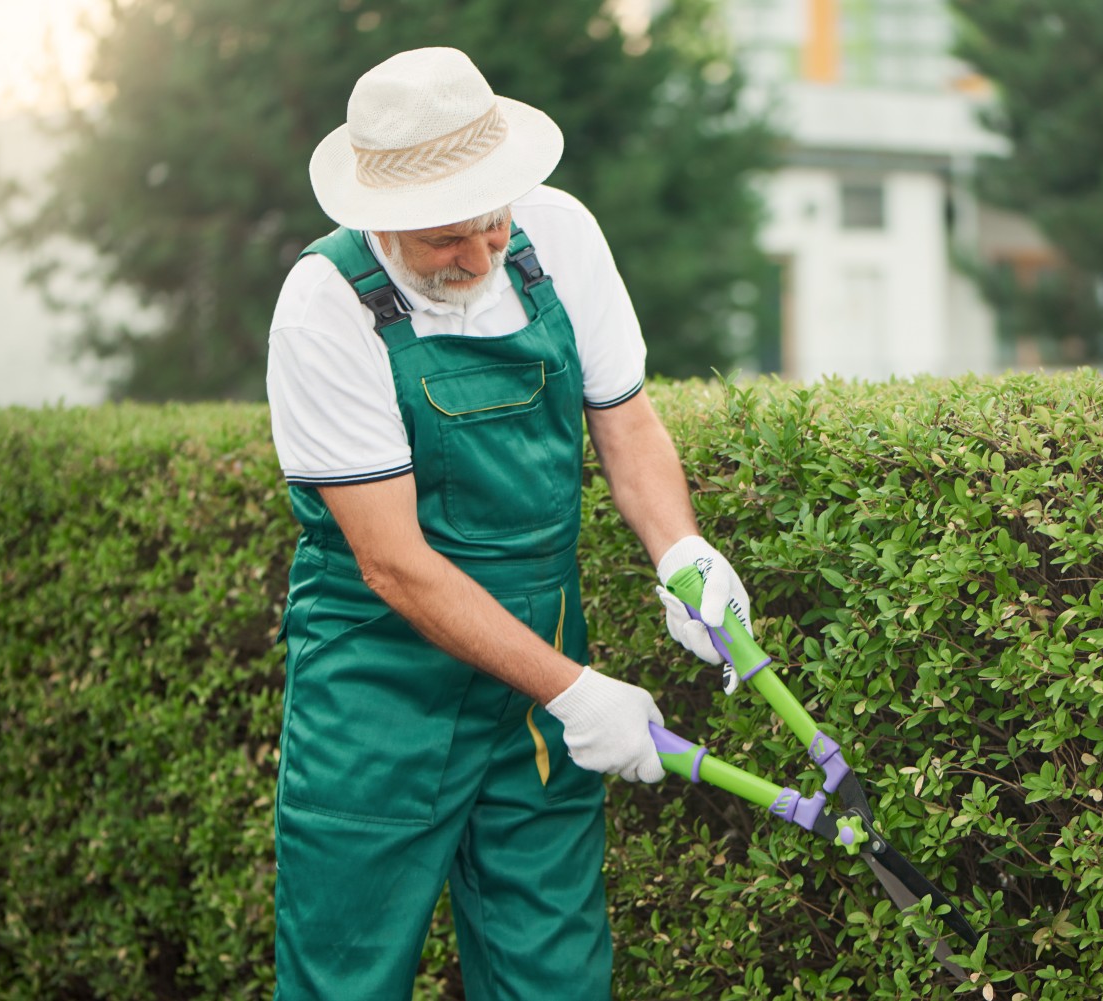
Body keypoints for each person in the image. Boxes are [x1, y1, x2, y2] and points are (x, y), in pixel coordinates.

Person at [265, 46, 751, 1000]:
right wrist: (576, 690)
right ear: (380, 220)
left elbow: (628, 424)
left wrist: (682, 551)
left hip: (537, 662)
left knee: (554, 972)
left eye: (492, 224)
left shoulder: (559, 234)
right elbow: (395, 563)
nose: (483, 255)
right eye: (448, 240)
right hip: (379, 686)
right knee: (345, 976)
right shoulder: (323, 309)